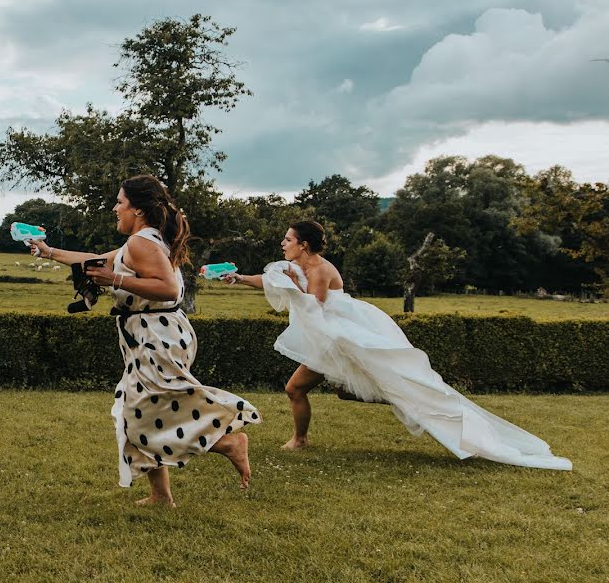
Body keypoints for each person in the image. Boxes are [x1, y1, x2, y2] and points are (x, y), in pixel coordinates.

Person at [225, 220, 571, 470]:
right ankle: (301, 439)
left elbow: (313, 304)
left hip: (342, 335)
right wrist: (239, 278)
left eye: (288, 239)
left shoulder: (318, 269)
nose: (282, 243)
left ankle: (394, 394)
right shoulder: (295, 265)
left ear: (303, 244)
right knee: (296, 388)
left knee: (330, 390)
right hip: (327, 338)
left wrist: (289, 283)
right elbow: (272, 280)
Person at [31, 175, 262, 507]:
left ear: (137, 210)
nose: (115, 208)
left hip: (158, 334)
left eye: (120, 202)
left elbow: (169, 289)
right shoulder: (141, 241)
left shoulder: (142, 243)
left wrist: (115, 279)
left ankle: (227, 444)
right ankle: (161, 495)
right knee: (138, 410)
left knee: (145, 408)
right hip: (151, 333)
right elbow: (97, 260)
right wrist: (49, 251)